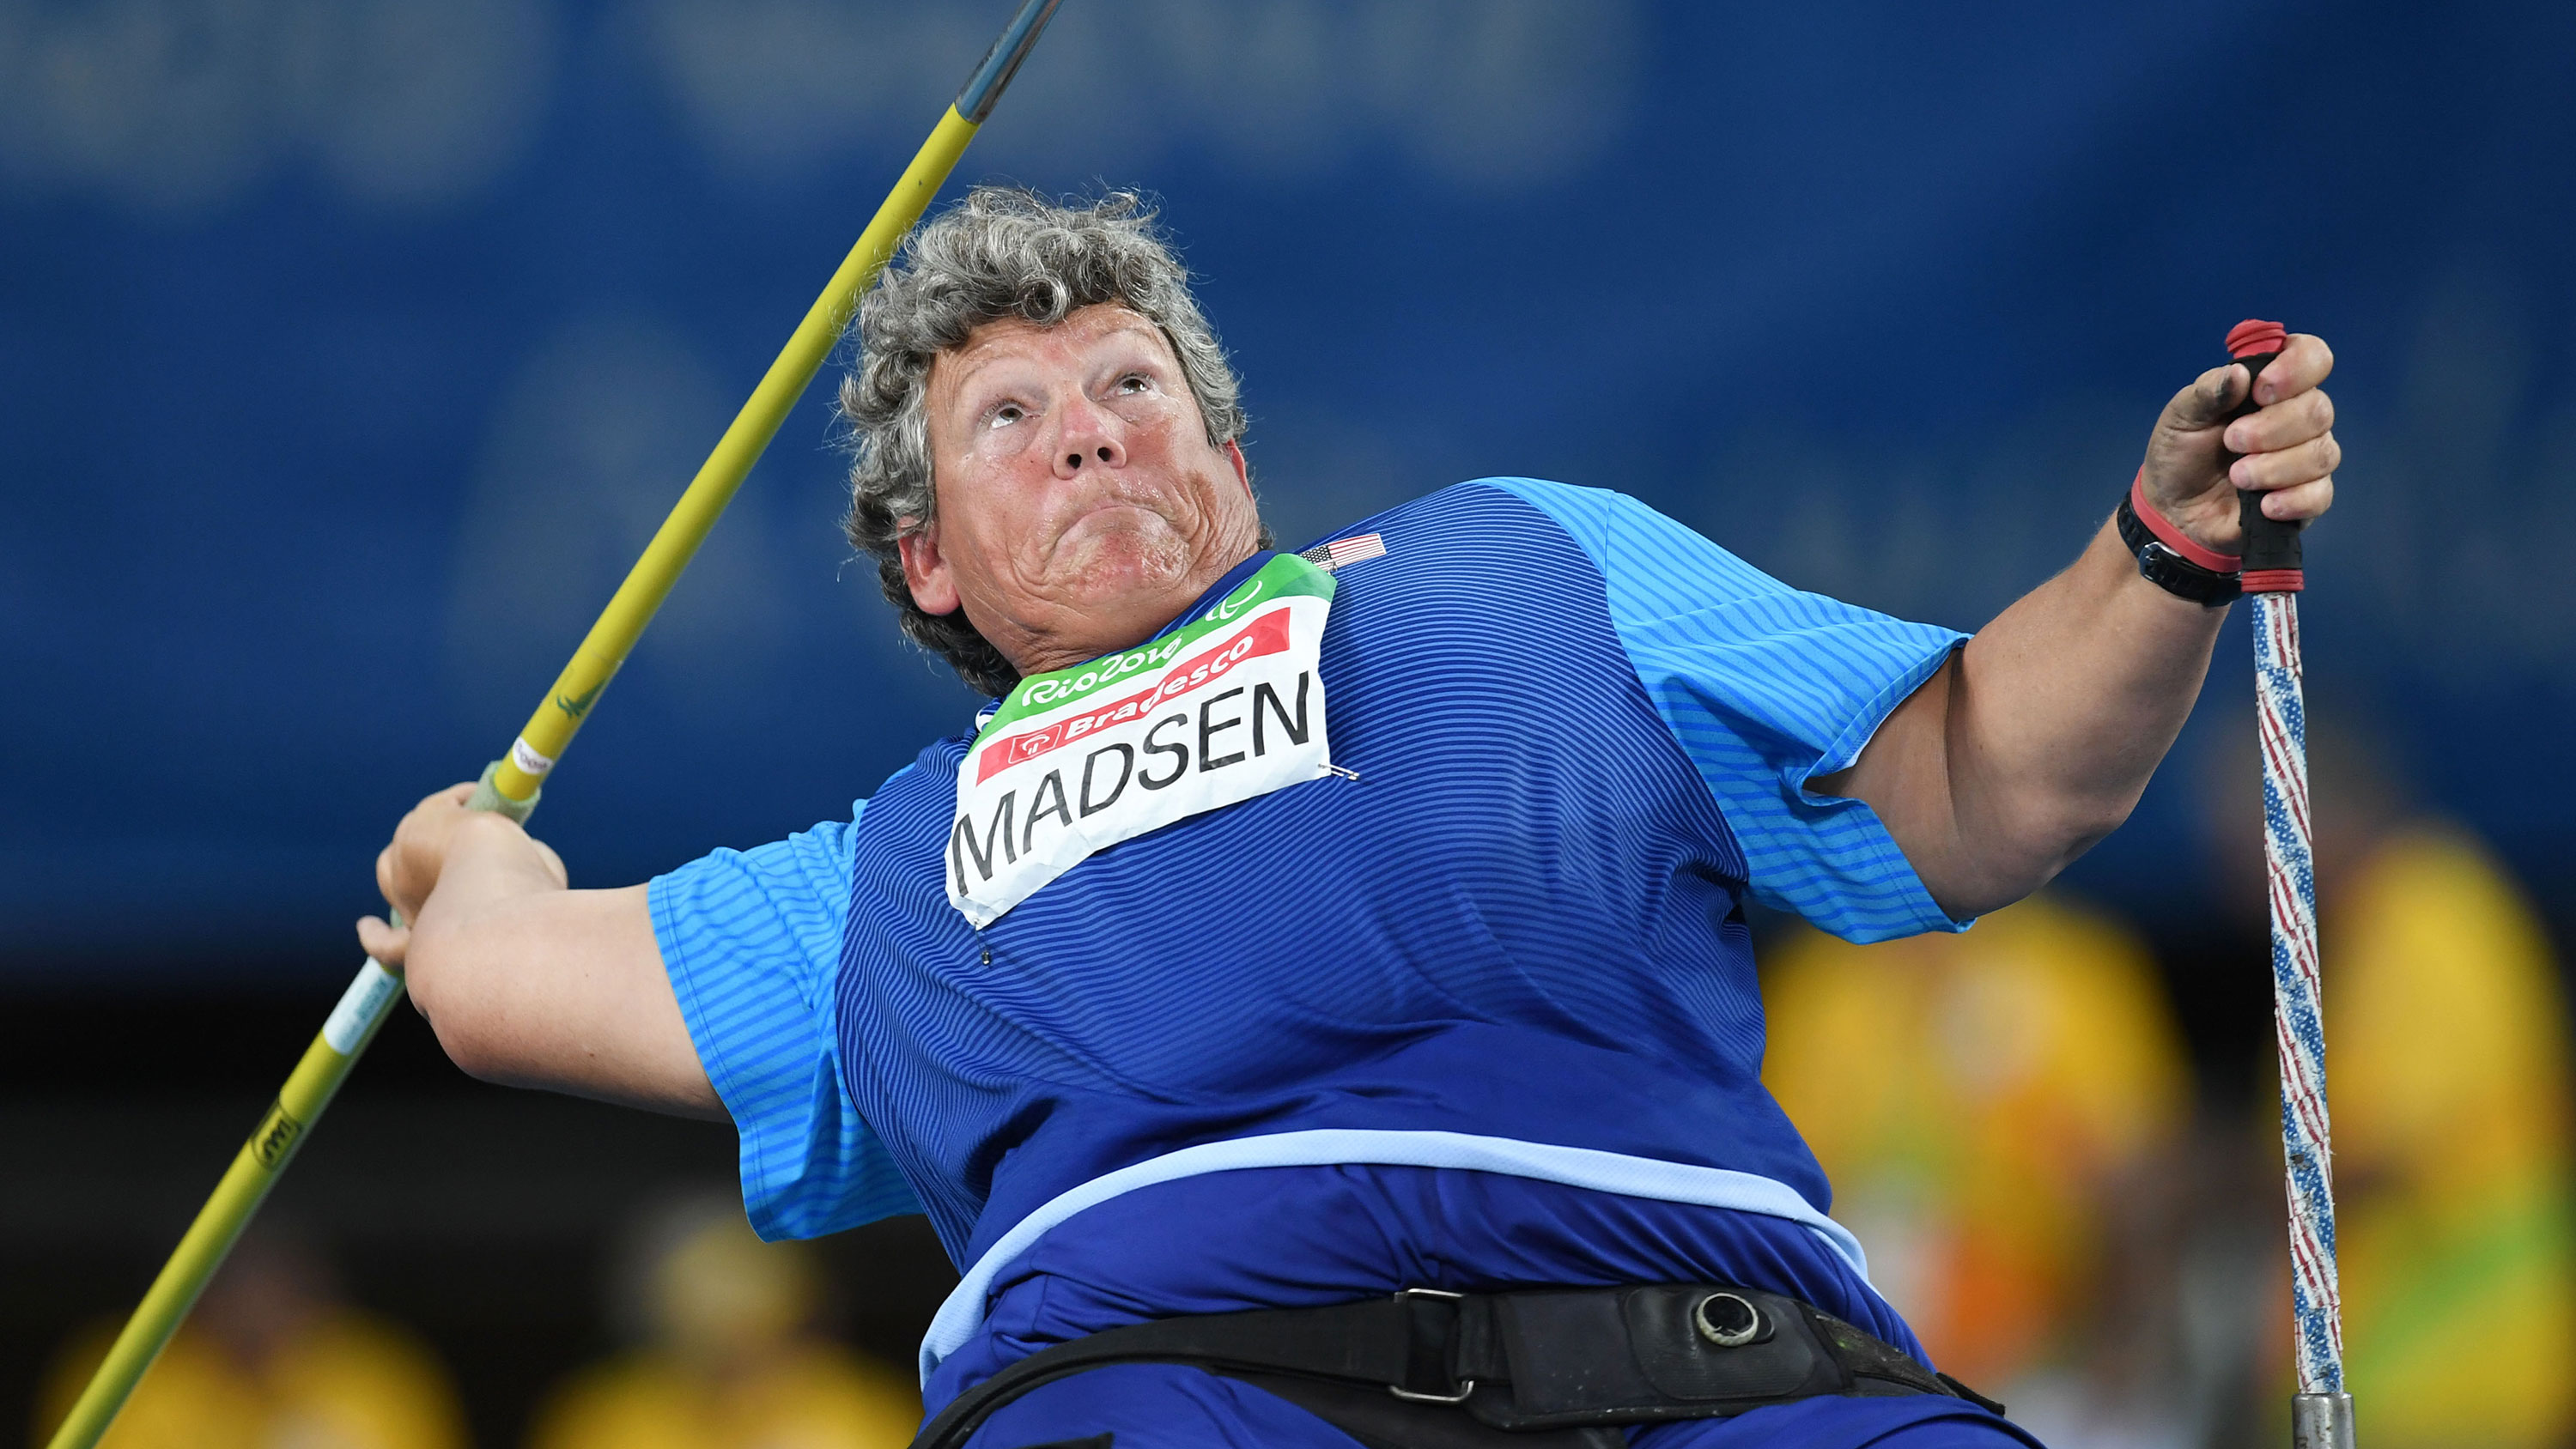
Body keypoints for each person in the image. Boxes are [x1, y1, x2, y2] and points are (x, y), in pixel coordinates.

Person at [357, 188, 2342, 1447]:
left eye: (1127, 382)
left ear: (1226, 452)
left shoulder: (1507, 568)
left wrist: (2162, 548)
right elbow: (499, 980)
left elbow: (1988, 783)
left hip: (1724, 1367)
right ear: (928, 566)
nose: (1087, 427)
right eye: (1007, 422)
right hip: (1163, 1388)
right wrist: (469, 860)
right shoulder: (889, 855)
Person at [526, 1194, 923, 1449]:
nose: (747, 1378)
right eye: (712, 1346)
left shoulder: (865, 1415)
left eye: (764, 1337)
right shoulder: (606, 1419)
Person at [35, 1227, 466, 1449]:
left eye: (280, 1283)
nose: (256, 1304)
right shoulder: (126, 1369)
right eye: (234, 1280)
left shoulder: (377, 1374)